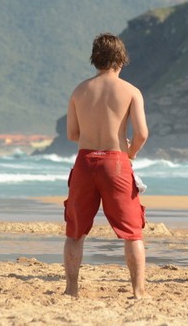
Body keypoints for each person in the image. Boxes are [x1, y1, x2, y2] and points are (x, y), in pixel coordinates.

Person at [63, 33, 149, 299]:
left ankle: (71, 289)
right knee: (132, 233)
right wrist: (130, 152)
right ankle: (138, 291)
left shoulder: (79, 90)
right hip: (116, 162)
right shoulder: (130, 91)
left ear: (95, 58)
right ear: (121, 59)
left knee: (75, 231)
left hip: (85, 162)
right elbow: (142, 134)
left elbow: (72, 134)